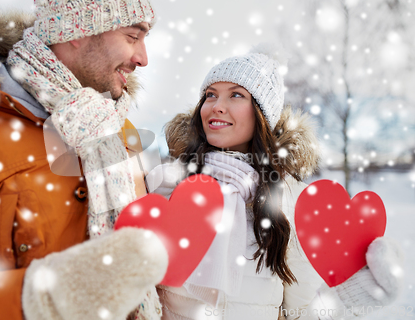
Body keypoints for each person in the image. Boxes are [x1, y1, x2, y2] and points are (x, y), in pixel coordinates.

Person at [0, 0, 169, 319]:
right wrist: (48, 296)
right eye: (132, 36)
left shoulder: (119, 131)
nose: (143, 58)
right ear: (77, 32)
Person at [146, 43, 404, 320]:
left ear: (262, 115)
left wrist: (353, 296)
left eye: (236, 95)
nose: (217, 107)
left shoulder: (289, 200)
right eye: (210, 95)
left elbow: (301, 313)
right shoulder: (168, 182)